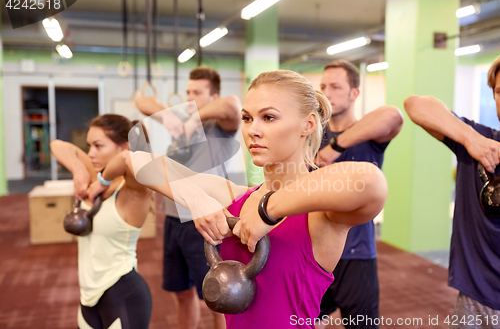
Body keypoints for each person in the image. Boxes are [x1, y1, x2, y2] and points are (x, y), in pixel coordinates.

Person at [126, 69, 388, 329]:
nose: (253, 130)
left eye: (269, 117)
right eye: (248, 118)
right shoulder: (237, 197)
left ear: (307, 125)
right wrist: (196, 200)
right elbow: (136, 161)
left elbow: (371, 181)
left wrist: (266, 211)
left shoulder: (321, 216)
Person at [134, 66, 241, 329]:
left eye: (198, 92)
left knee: (217, 298)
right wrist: (170, 117)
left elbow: (233, 105)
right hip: (174, 220)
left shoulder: (220, 127)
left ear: (213, 96)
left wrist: (194, 119)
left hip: (205, 220)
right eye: (188, 91)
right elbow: (141, 100)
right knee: (181, 293)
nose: (190, 97)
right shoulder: (179, 122)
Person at [404, 56, 500, 329]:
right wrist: (471, 139)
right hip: (473, 297)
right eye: (499, 92)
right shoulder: (479, 142)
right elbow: (416, 105)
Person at [314, 60, 403, 329]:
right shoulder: (313, 135)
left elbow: (394, 116)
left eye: (336, 87)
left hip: (357, 255)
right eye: (323, 87)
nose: (327, 93)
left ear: (354, 93)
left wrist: (336, 146)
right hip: (316, 251)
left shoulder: (368, 135)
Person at [50, 114, 153, 329]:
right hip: (88, 298)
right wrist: (78, 169)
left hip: (123, 294)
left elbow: (129, 160)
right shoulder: (92, 173)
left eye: (98, 146)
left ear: (123, 146)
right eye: (89, 146)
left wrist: (103, 180)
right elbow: (57, 145)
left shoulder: (134, 191)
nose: (90, 154)